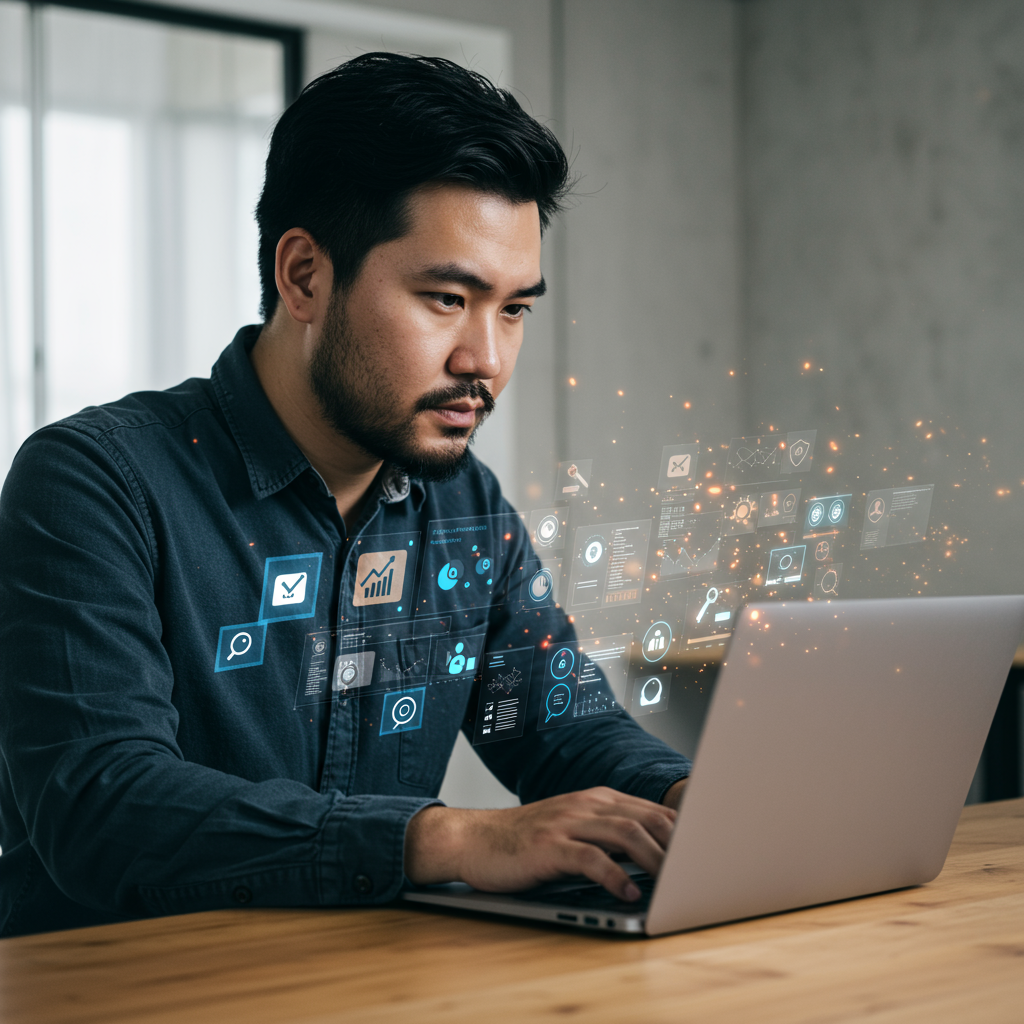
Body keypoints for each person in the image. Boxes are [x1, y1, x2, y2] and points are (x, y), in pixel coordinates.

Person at [0, 53, 689, 937]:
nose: (487, 358)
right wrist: (443, 840)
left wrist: (693, 799)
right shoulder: (94, 482)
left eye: (514, 309)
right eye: (447, 298)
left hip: (364, 986)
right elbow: (102, 806)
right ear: (304, 277)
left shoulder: (463, 506)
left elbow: (560, 727)